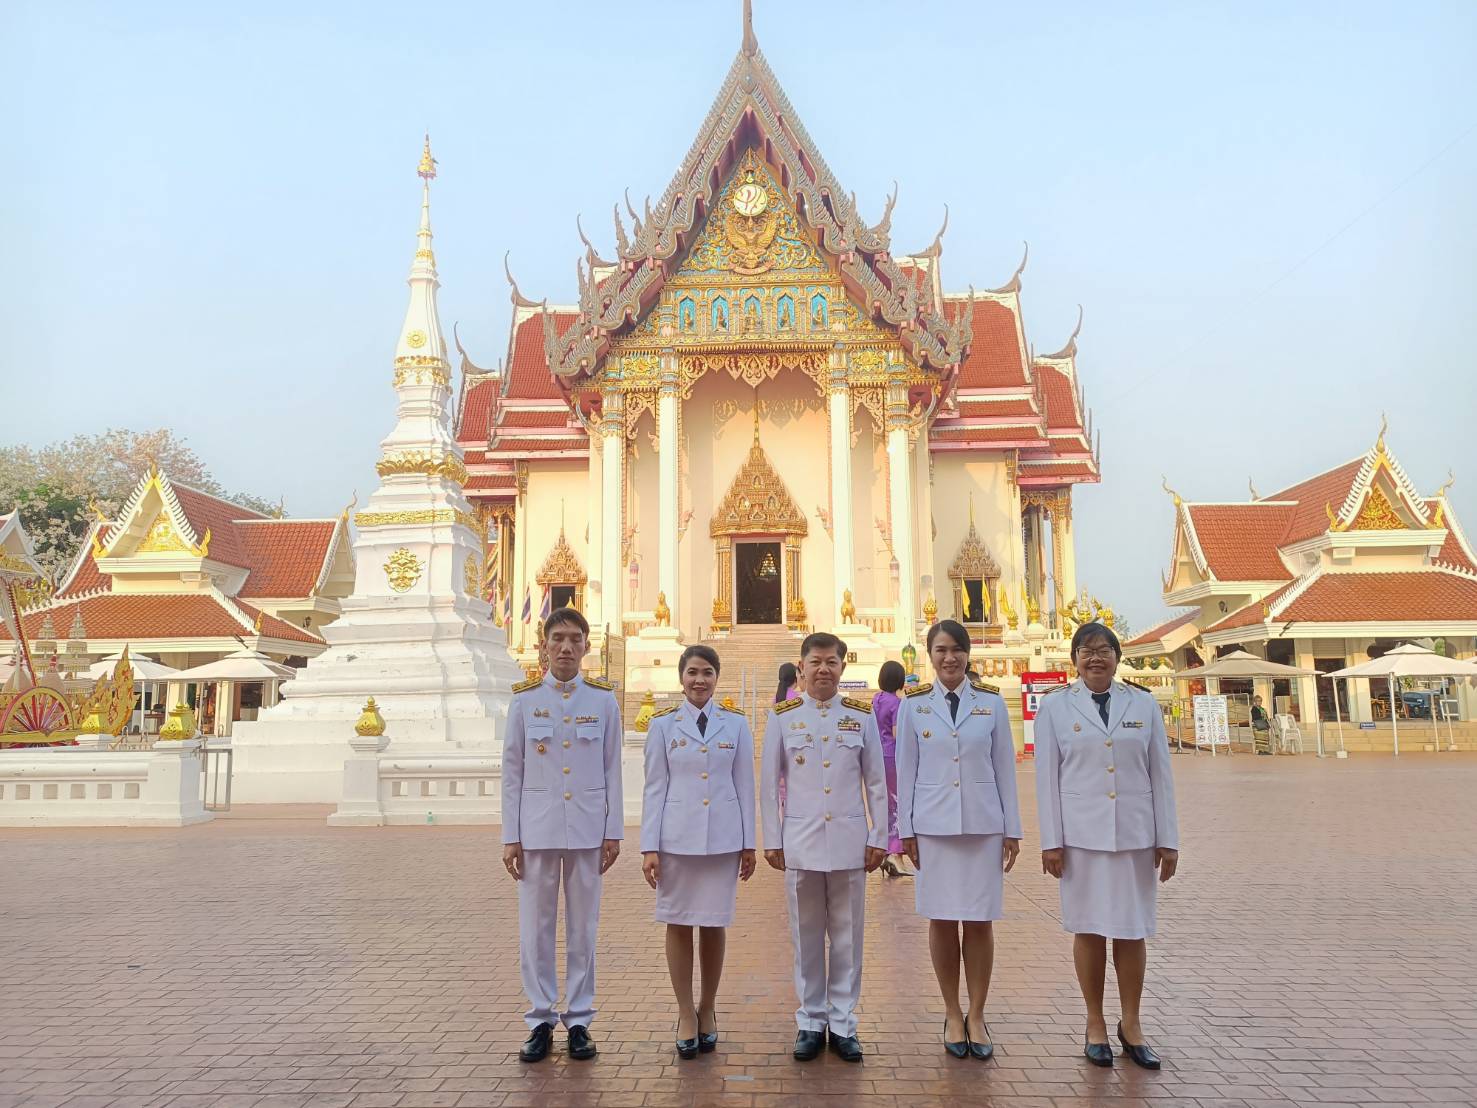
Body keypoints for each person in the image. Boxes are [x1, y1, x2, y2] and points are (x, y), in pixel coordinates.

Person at [1034, 621, 1179, 1069]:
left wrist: (1167, 839)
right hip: (1081, 840)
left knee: (1132, 930)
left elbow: (1161, 775)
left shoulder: (1143, 704)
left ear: (1117, 657)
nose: (1095, 658)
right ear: (1074, 659)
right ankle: (1095, 1023)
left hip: (1135, 836)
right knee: (1090, 929)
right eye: (1085, 651)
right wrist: (1051, 842)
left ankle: (1131, 1023)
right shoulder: (1056, 708)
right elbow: (1047, 781)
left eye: (1103, 650)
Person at [501, 608, 624, 1063]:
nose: (566, 647)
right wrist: (510, 835)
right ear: (543, 645)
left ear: (587, 647)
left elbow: (613, 769)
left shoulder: (603, 700)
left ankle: (578, 1020)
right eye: (558, 638)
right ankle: (538, 1018)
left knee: (582, 928)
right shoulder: (524, 700)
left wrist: (613, 830)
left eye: (575, 639)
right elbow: (512, 772)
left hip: (589, 826)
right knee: (535, 928)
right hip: (537, 827)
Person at [895, 620, 1021, 1060]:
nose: (950, 658)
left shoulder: (990, 704)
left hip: (983, 826)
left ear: (968, 654)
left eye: (957, 650)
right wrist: (904, 830)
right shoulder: (914, 706)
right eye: (941, 649)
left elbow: (1005, 766)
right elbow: (905, 770)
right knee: (943, 920)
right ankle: (952, 1011)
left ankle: (978, 1013)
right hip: (934, 828)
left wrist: (1013, 829)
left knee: (980, 920)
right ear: (929, 654)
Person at [761, 632, 888, 1063]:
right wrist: (771, 838)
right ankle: (811, 1021)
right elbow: (768, 784)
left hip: (851, 841)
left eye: (831, 662)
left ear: (842, 668)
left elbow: (875, 781)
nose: (823, 669)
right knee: (807, 935)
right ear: (801, 667)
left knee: (849, 937)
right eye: (815, 662)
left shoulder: (861, 714)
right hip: (801, 840)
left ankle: (844, 1022)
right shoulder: (783, 716)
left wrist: (879, 835)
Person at [641, 645, 757, 1059]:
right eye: (692, 672)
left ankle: (708, 1007)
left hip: (723, 840)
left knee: (713, 924)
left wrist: (749, 843)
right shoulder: (662, 726)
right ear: (681, 677)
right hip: (677, 840)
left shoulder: (737, 725)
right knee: (677, 922)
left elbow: (745, 784)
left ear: (716, 677)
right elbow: (654, 788)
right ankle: (685, 1012)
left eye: (707, 672)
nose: (699, 680)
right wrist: (649, 846)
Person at [872, 660, 911, 878]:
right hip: (892, 756)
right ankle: (895, 853)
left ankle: (888, 850)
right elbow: (897, 734)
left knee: (886, 804)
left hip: (877, 755)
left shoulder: (876, 699)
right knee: (897, 803)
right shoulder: (897, 703)